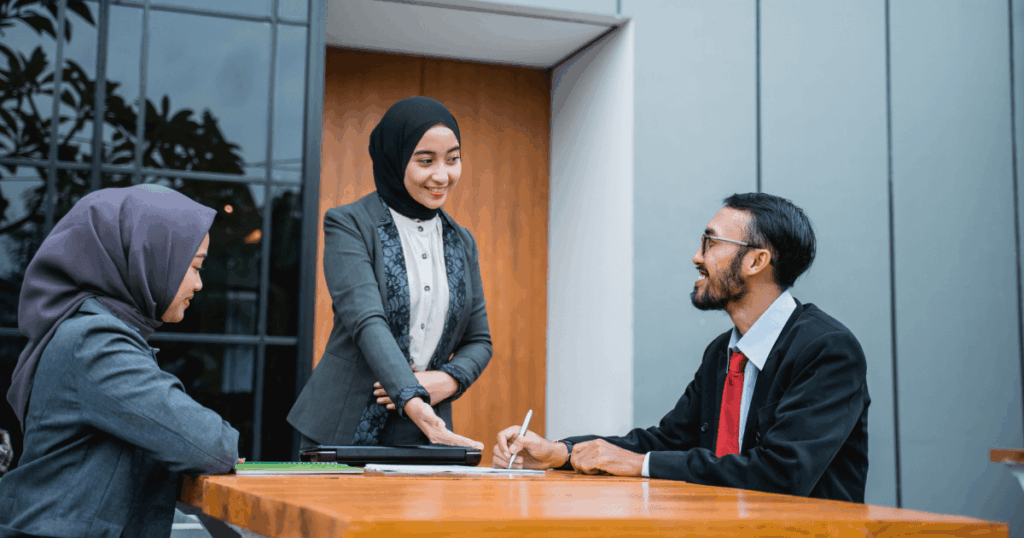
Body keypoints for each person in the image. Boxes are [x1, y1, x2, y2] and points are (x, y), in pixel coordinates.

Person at [493, 193, 870, 502]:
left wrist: (641, 464)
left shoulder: (827, 350)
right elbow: (667, 440)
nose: (697, 257)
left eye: (711, 242)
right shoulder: (722, 352)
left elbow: (781, 474)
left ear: (756, 260)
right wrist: (561, 452)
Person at [0, 185, 239, 537]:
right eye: (193, 266)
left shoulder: (87, 333)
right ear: (149, 259)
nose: (199, 283)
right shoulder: (95, 343)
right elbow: (213, 446)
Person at [288, 97, 491, 450]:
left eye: (453, 159)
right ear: (394, 158)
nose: (442, 175)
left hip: (422, 435)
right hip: (343, 426)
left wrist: (447, 379)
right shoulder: (349, 223)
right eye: (425, 161)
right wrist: (411, 395)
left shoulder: (462, 241)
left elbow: (480, 341)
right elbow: (367, 321)